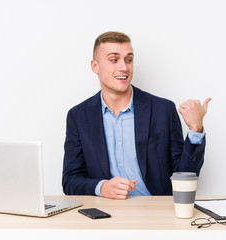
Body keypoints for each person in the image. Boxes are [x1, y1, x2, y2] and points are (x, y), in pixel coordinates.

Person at [62, 31, 211, 199]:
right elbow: (70, 181)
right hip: (104, 213)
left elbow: (184, 177)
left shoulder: (163, 111)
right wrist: (101, 187)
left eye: (129, 59)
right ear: (95, 66)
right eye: (114, 60)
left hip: (156, 212)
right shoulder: (78, 116)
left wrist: (195, 130)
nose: (124, 67)